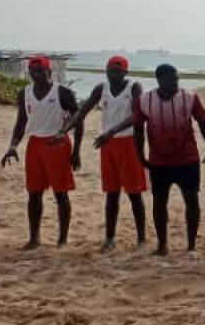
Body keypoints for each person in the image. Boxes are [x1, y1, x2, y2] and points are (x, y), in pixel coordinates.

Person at [62, 55, 145, 252]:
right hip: (108, 146)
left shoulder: (134, 87)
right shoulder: (101, 89)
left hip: (128, 143)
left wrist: (112, 131)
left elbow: (137, 115)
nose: (113, 75)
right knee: (111, 193)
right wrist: (63, 131)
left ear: (125, 73)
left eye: (117, 72)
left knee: (134, 193)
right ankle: (109, 237)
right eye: (110, 71)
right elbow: (82, 111)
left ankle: (141, 238)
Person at [1, 56, 82, 250]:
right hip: (35, 144)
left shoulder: (63, 93)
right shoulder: (25, 93)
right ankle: (34, 238)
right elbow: (21, 122)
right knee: (34, 193)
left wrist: (76, 151)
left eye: (41, 72)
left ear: (49, 73)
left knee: (60, 193)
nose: (37, 76)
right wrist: (12, 146)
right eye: (33, 72)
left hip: (58, 144)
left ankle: (62, 239)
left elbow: (79, 120)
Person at [134, 64, 205, 256]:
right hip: (159, 161)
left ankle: (191, 245)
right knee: (160, 203)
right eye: (173, 78)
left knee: (192, 201)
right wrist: (140, 155)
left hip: (187, 159)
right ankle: (162, 245)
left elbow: (203, 123)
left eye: (178, 78)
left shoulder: (189, 98)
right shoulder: (145, 100)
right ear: (161, 80)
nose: (177, 81)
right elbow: (138, 130)